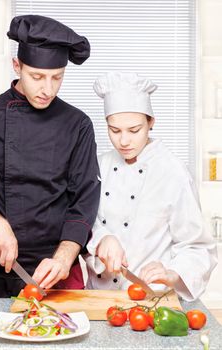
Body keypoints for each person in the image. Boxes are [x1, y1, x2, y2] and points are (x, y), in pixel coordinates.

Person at [0, 15, 100, 297]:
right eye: (37, 77)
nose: (48, 89)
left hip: (51, 268)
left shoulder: (77, 124)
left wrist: (64, 257)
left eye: (57, 77)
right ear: (17, 66)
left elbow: (84, 201)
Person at [84, 71, 217, 301]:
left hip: (151, 300)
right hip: (98, 298)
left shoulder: (172, 171)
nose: (123, 141)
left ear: (151, 123)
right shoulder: (99, 165)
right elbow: (84, 220)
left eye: (134, 130)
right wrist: (102, 238)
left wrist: (173, 274)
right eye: (114, 130)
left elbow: (198, 247)